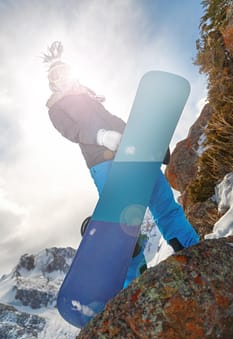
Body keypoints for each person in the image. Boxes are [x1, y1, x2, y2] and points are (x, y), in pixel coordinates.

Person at [43, 42, 199, 287]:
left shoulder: (89, 98)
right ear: (52, 82)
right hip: (103, 163)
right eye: (55, 75)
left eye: (64, 71)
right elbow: (72, 130)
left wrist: (151, 143)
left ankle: (192, 248)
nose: (61, 77)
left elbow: (117, 122)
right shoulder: (56, 107)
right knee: (124, 226)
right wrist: (101, 136)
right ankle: (132, 282)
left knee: (164, 204)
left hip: (132, 154)